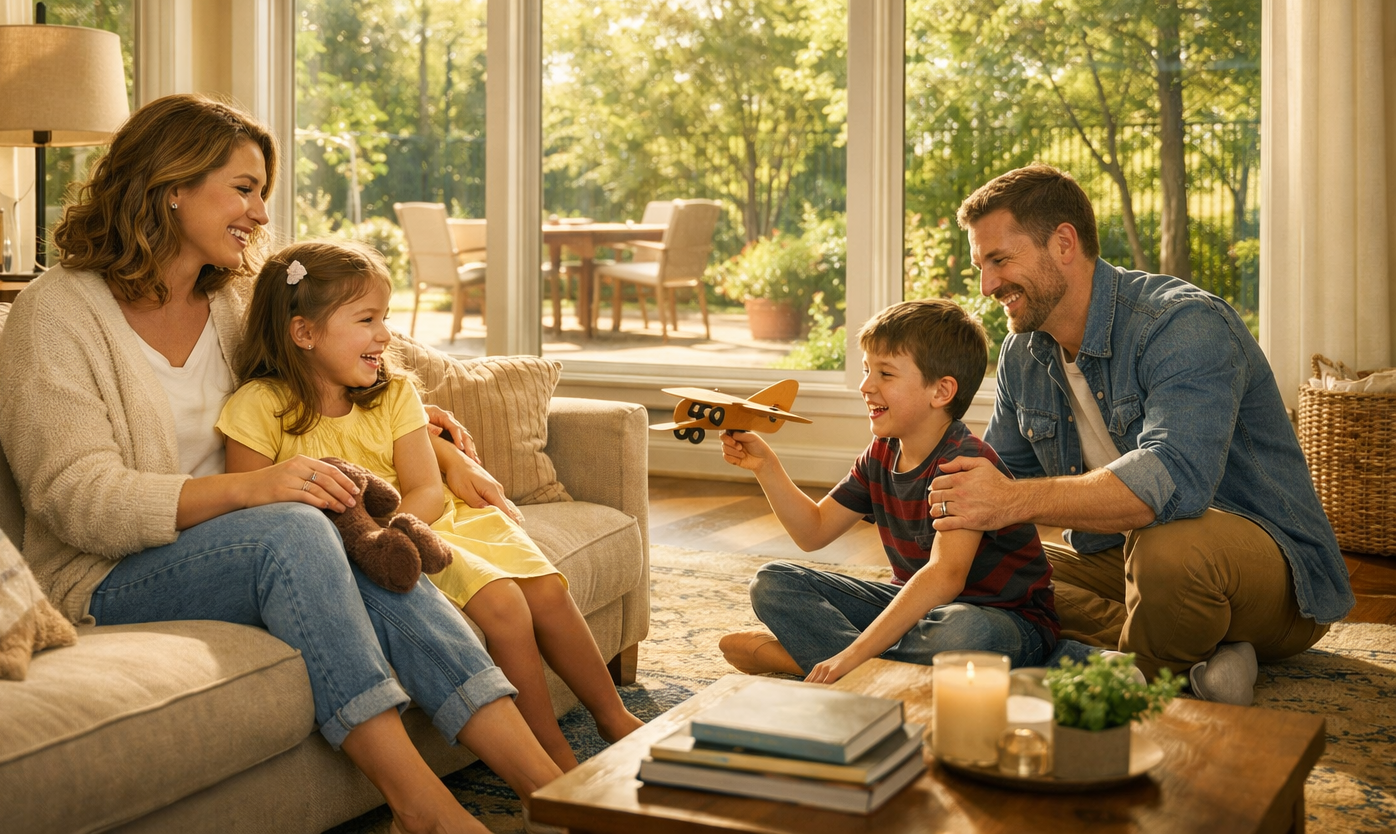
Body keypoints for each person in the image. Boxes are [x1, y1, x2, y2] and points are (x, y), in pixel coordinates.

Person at [0, 93, 564, 834]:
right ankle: (423, 809)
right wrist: (252, 489)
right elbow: (73, 496)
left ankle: (552, 792)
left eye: (261, 191)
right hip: (106, 575)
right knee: (297, 528)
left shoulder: (233, 299)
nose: (262, 213)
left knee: (377, 553)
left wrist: (429, 430)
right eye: (244, 188)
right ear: (172, 188)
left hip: (254, 537)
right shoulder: (56, 314)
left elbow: (348, 349)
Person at [930, 164, 1353, 704]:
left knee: (1169, 547)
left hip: (1268, 574)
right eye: (979, 266)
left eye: (999, 260)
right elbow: (1000, 482)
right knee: (976, 566)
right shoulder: (1024, 353)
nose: (987, 286)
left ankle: (1125, 689)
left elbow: (1172, 484)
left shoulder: (1182, 324)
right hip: (1124, 559)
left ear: (1063, 243)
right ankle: (1201, 661)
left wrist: (1006, 499)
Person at [217, 240, 643, 772]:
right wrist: (371, 542)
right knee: (506, 606)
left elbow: (427, 488)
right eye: (367, 319)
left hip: (428, 522)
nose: (384, 335)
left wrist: (396, 525)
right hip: (380, 551)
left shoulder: (395, 394)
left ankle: (613, 716)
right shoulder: (257, 408)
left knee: (549, 591)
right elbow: (250, 508)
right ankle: (551, 756)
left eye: (385, 317)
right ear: (303, 332)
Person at [718, 299, 1060, 683]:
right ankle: (878, 672)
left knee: (964, 632)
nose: (866, 386)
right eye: (866, 370)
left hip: (1003, 621)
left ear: (941, 391)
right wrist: (765, 466)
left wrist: (849, 653)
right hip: (916, 613)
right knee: (773, 582)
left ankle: (812, 661)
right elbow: (813, 531)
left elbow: (945, 577)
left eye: (885, 374)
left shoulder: (963, 464)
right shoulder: (881, 453)